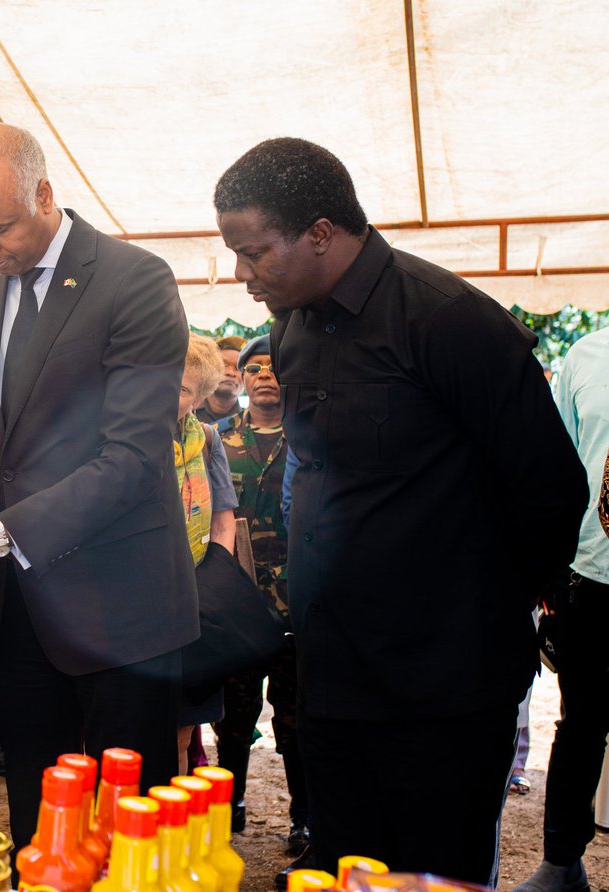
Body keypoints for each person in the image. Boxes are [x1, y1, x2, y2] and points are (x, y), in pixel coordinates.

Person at [214, 137, 587, 884]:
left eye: (254, 253)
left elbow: (550, 490)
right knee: (349, 865)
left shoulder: (452, 322)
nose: (242, 275)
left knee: (433, 874)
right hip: (331, 675)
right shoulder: (290, 330)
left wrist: (473, 612)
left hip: (443, 687)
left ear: (321, 232)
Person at [0, 123, 197, 855]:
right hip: (22, 610)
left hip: (123, 608)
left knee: (132, 829)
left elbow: (131, 457)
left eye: (0, 228)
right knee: (38, 821)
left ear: (46, 195)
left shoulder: (134, 280)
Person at [515, 327, 609, 892]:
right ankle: (562, 862)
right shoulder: (587, 354)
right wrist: (551, 570)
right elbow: (560, 464)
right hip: (593, 576)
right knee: (582, 723)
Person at [213, 334, 309, 863]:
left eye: (275, 366)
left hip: (299, 602)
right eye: (254, 367)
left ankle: (303, 820)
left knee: (296, 719)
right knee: (232, 717)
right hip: (239, 603)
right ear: (243, 379)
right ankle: (229, 809)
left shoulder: (311, 438)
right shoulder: (218, 441)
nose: (265, 374)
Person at [174, 334, 238, 775]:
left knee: (179, 729)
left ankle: (170, 832)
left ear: (199, 398)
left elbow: (223, 518)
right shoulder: (122, 435)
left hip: (192, 602)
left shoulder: (210, 441)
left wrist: (212, 578)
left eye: (179, 389)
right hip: (131, 603)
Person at [196, 335, 245, 433]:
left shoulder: (250, 421)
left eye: (238, 367)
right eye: (224, 365)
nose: (230, 373)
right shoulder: (186, 414)